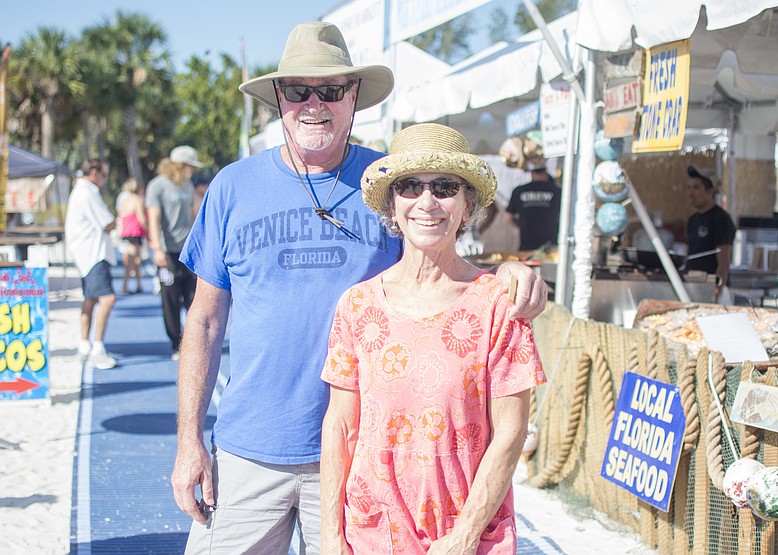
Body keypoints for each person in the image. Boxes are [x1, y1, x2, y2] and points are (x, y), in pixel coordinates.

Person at [171, 21, 547, 555]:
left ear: (354, 98)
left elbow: (439, 258)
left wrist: (513, 275)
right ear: (279, 97)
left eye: (331, 90)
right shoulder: (233, 187)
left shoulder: (394, 181)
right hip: (250, 451)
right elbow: (204, 322)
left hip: (366, 464)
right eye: (298, 90)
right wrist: (189, 440)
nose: (314, 103)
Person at [320, 123, 546, 554]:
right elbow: (341, 426)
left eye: (444, 187)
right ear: (392, 204)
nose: (427, 202)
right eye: (409, 187)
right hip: (373, 534)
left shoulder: (501, 306)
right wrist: (330, 537)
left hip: (466, 537)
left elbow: (511, 433)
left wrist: (464, 537)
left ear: (467, 206)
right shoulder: (357, 305)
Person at [146, 147, 202, 361]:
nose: (192, 171)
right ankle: (176, 343)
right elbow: (153, 218)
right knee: (170, 298)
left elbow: (193, 214)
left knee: (193, 297)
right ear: (180, 166)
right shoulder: (157, 186)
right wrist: (157, 248)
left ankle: (192, 339)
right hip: (167, 251)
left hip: (187, 249)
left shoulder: (188, 186)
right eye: (190, 167)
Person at [64, 159, 118, 370]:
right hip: (94, 253)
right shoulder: (88, 193)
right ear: (93, 172)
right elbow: (106, 223)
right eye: (104, 175)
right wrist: (117, 220)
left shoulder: (79, 191)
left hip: (83, 254)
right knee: (108, 299)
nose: (105, 180)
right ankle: (97, 348)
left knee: (90, 299)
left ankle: (84, 345)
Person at [684, 164, 736, 300]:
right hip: (693, 287)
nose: (690, 193)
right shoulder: (692, 220)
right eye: (689, 188)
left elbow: (724, 262)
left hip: (712, 289)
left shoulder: (720, 219)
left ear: (710, 190)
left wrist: (716, 293)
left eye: (696, 188)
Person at [505, 165, 561, 250]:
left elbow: (508, 217)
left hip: (527, 247)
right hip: (550, 248)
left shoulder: (519, 191)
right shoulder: (557, 191)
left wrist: (521, 224)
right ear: (546, 170)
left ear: (531, 172)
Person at [117, 178, 147, 294]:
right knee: (131, 260)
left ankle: (138, 284)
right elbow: (141, 218)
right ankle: (125, 286)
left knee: (135, 259)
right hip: (135, 232)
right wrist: (148, 230)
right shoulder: (137, 200)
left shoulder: (126, 200)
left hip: (127, 232)